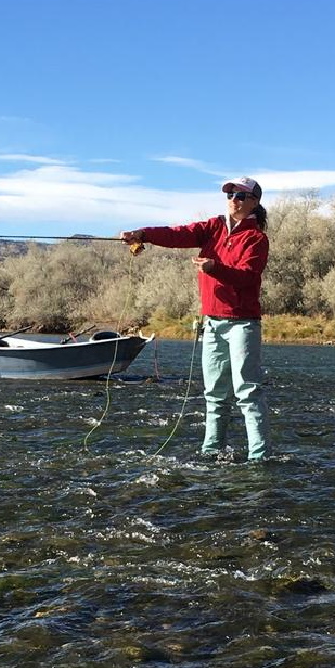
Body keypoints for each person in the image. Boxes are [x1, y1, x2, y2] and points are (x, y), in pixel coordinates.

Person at [120, 177, 271, 462]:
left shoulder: (257, 239)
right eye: (230, 193)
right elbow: (178, 234)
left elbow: (247, 277)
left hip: (242, 323)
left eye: (240, 195)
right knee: (215, 393)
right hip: (212, 321)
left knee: (247, 392)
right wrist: (143, 234)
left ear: (254, 201)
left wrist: (215, 268)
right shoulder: (212, 227)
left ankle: (259, 457)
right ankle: (212, 452)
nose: (233, 199)